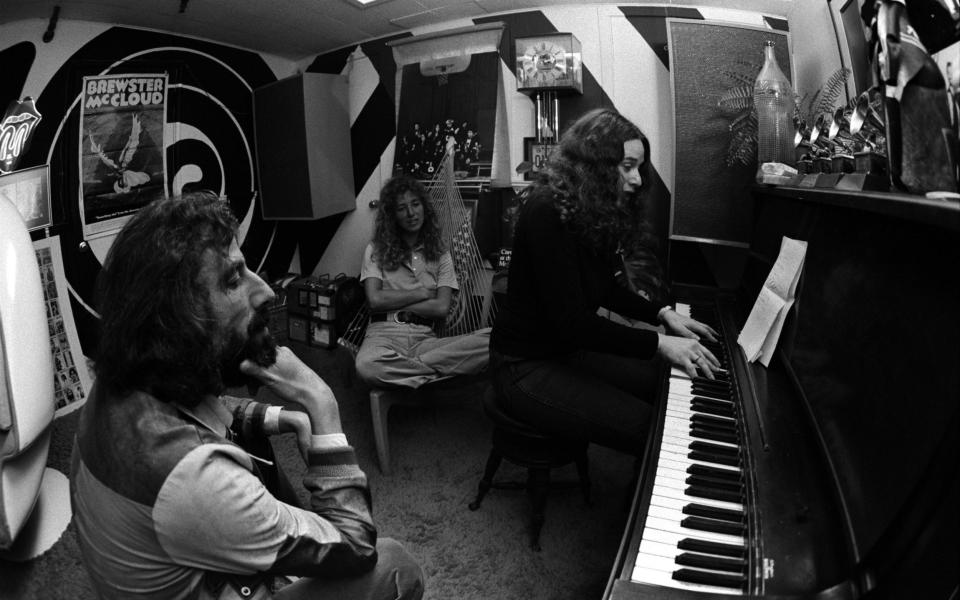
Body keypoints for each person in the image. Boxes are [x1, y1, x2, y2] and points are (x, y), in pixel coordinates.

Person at [70, 191, 424, 600]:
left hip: (174, 556)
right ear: (178, 317)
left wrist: (284, 417)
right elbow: (357, 548)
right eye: (234, 279)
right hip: (211, 571)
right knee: (394, 564)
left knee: (255, 438)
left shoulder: (124, 381)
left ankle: (289, 544)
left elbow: (202, 411)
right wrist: (320, 402)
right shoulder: (195, 478)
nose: (267, 293)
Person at [489, 108, 721, 456]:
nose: (638, 179)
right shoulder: (546, 212)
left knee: (661, 380)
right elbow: (572, 323)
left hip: (564, 350)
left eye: (639, 167)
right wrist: (658, 344)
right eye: (627, 166)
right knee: (648, 427)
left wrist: (661, 314)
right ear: (594, 166)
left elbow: (605, 288)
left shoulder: (590, 210)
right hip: (524, 365)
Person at [354, 175, 490, 389]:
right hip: (383, 336)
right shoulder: (376, 249)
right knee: (367, 365)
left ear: (424, 207)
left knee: (493, 340)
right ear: (392, 215)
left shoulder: (441, 254)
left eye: (415, 204)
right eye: (401, 208)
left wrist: (392, 298)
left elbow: (441, 308)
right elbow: (374, 301)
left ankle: (414, 371)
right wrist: (423, 293)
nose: (411, 213)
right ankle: (439, 372)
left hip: (425, 340)